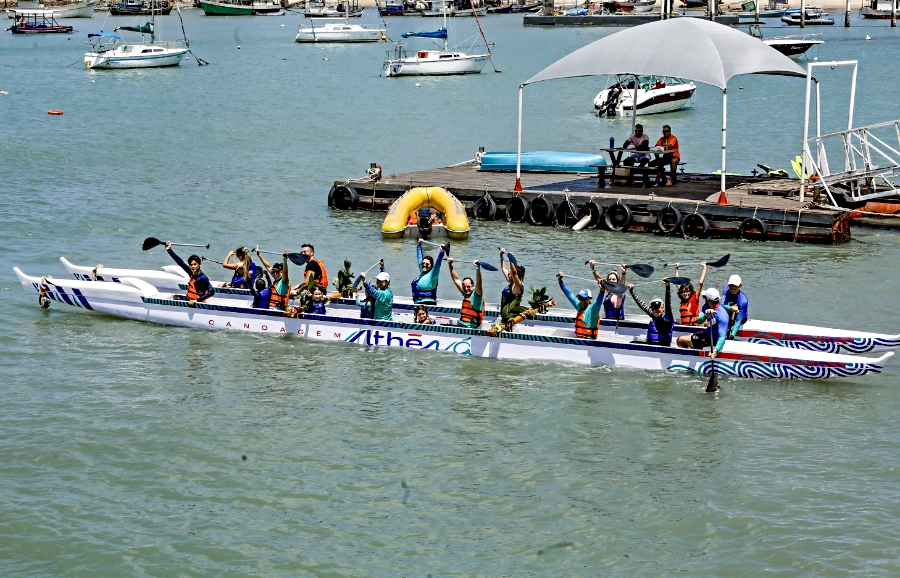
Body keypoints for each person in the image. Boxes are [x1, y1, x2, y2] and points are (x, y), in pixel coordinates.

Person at [676, 288, 730, 357]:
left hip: (712, 340)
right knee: (687, 337)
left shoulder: (722, 315)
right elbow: (699, 321)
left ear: (707, 299)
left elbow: (722, 337)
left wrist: (715, 351)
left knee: (680, 340)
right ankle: (694, 353)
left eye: (704, 297)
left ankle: (692, 356)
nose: (703, 298)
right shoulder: (706, 306)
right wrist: (706, 315)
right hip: (706, 333)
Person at [557, 271, 604, 340]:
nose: (581, 301)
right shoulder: (579, 307)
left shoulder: (593, 310)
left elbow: (599, 301)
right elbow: (569, 294)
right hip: (578, 340)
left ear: (589, 299)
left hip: (589, 341)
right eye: (580, 298)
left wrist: (602, 291)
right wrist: (560, 281)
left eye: (583, 298)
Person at [166, 242, 214, 306]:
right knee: (174, 296)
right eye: (191, 265)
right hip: (188, 299)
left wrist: (196, 301)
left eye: (195, 264)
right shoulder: (192, 273)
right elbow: (181, 263)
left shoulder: (202, 278)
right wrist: (169, 250)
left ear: (200, 265)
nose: (193, 267)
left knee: (170, 301)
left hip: (196, 303)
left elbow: (212, 292)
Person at [628, 280, 675, 346]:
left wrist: (667, 286)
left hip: (662, 348)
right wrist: (631, 292)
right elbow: (642, 305)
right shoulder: (654, 315)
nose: (655, 310)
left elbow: (668, 303)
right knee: (632, 343)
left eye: (657, 308)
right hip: (650, 346)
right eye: (653, 308)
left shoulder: (667, 319)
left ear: (663, 308)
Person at [447, 257, 485, 329]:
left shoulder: (477, 294)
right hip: (461, 325)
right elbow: (456, 279)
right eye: (464, 287)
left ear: (473, 286)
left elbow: (479, 283)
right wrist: (450, 264)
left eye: (468, 287)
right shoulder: (465, 293)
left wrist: (477, 268)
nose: (466, 289)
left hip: (472, 328)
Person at [411, 238, 446, 305]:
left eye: (427, 264)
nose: (424, 265)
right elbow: (419, 257)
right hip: (417, 304)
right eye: (423, 263)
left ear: (431, 266)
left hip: (429, 306)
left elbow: (438, 264)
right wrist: (419, 245)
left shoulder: (433, 274)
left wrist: (441, 252)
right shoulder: (422, 271)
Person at [673, 261, 708, 326]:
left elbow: (700, 283)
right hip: (684, 327)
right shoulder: (683, 299)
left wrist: (704, 268)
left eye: (687, 291)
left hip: (694, 328)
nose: (685, 293)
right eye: (683, 292)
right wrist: (676, 270)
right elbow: (678, 283)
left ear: (691, 291)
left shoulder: (695, 297)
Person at [499, 248, 525, 322]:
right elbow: (504, 268)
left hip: (512, 318)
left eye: (509, 274)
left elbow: (514, 273)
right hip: (504, 316)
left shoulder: (518, 286)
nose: (508, 275)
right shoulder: (511, 282)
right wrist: (501, 256)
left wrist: (511, 259)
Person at [722, 274, 749, 339]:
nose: (733, 288)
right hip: (730, 311)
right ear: (728, 285)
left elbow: (738, 322)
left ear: (740, 286)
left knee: (733, 325)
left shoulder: (743, 301)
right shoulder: (726, 289)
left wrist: (732, 336)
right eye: (731, 285)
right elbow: (722, 305)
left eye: (735, 286)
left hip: (741, 316)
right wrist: (730, 308)